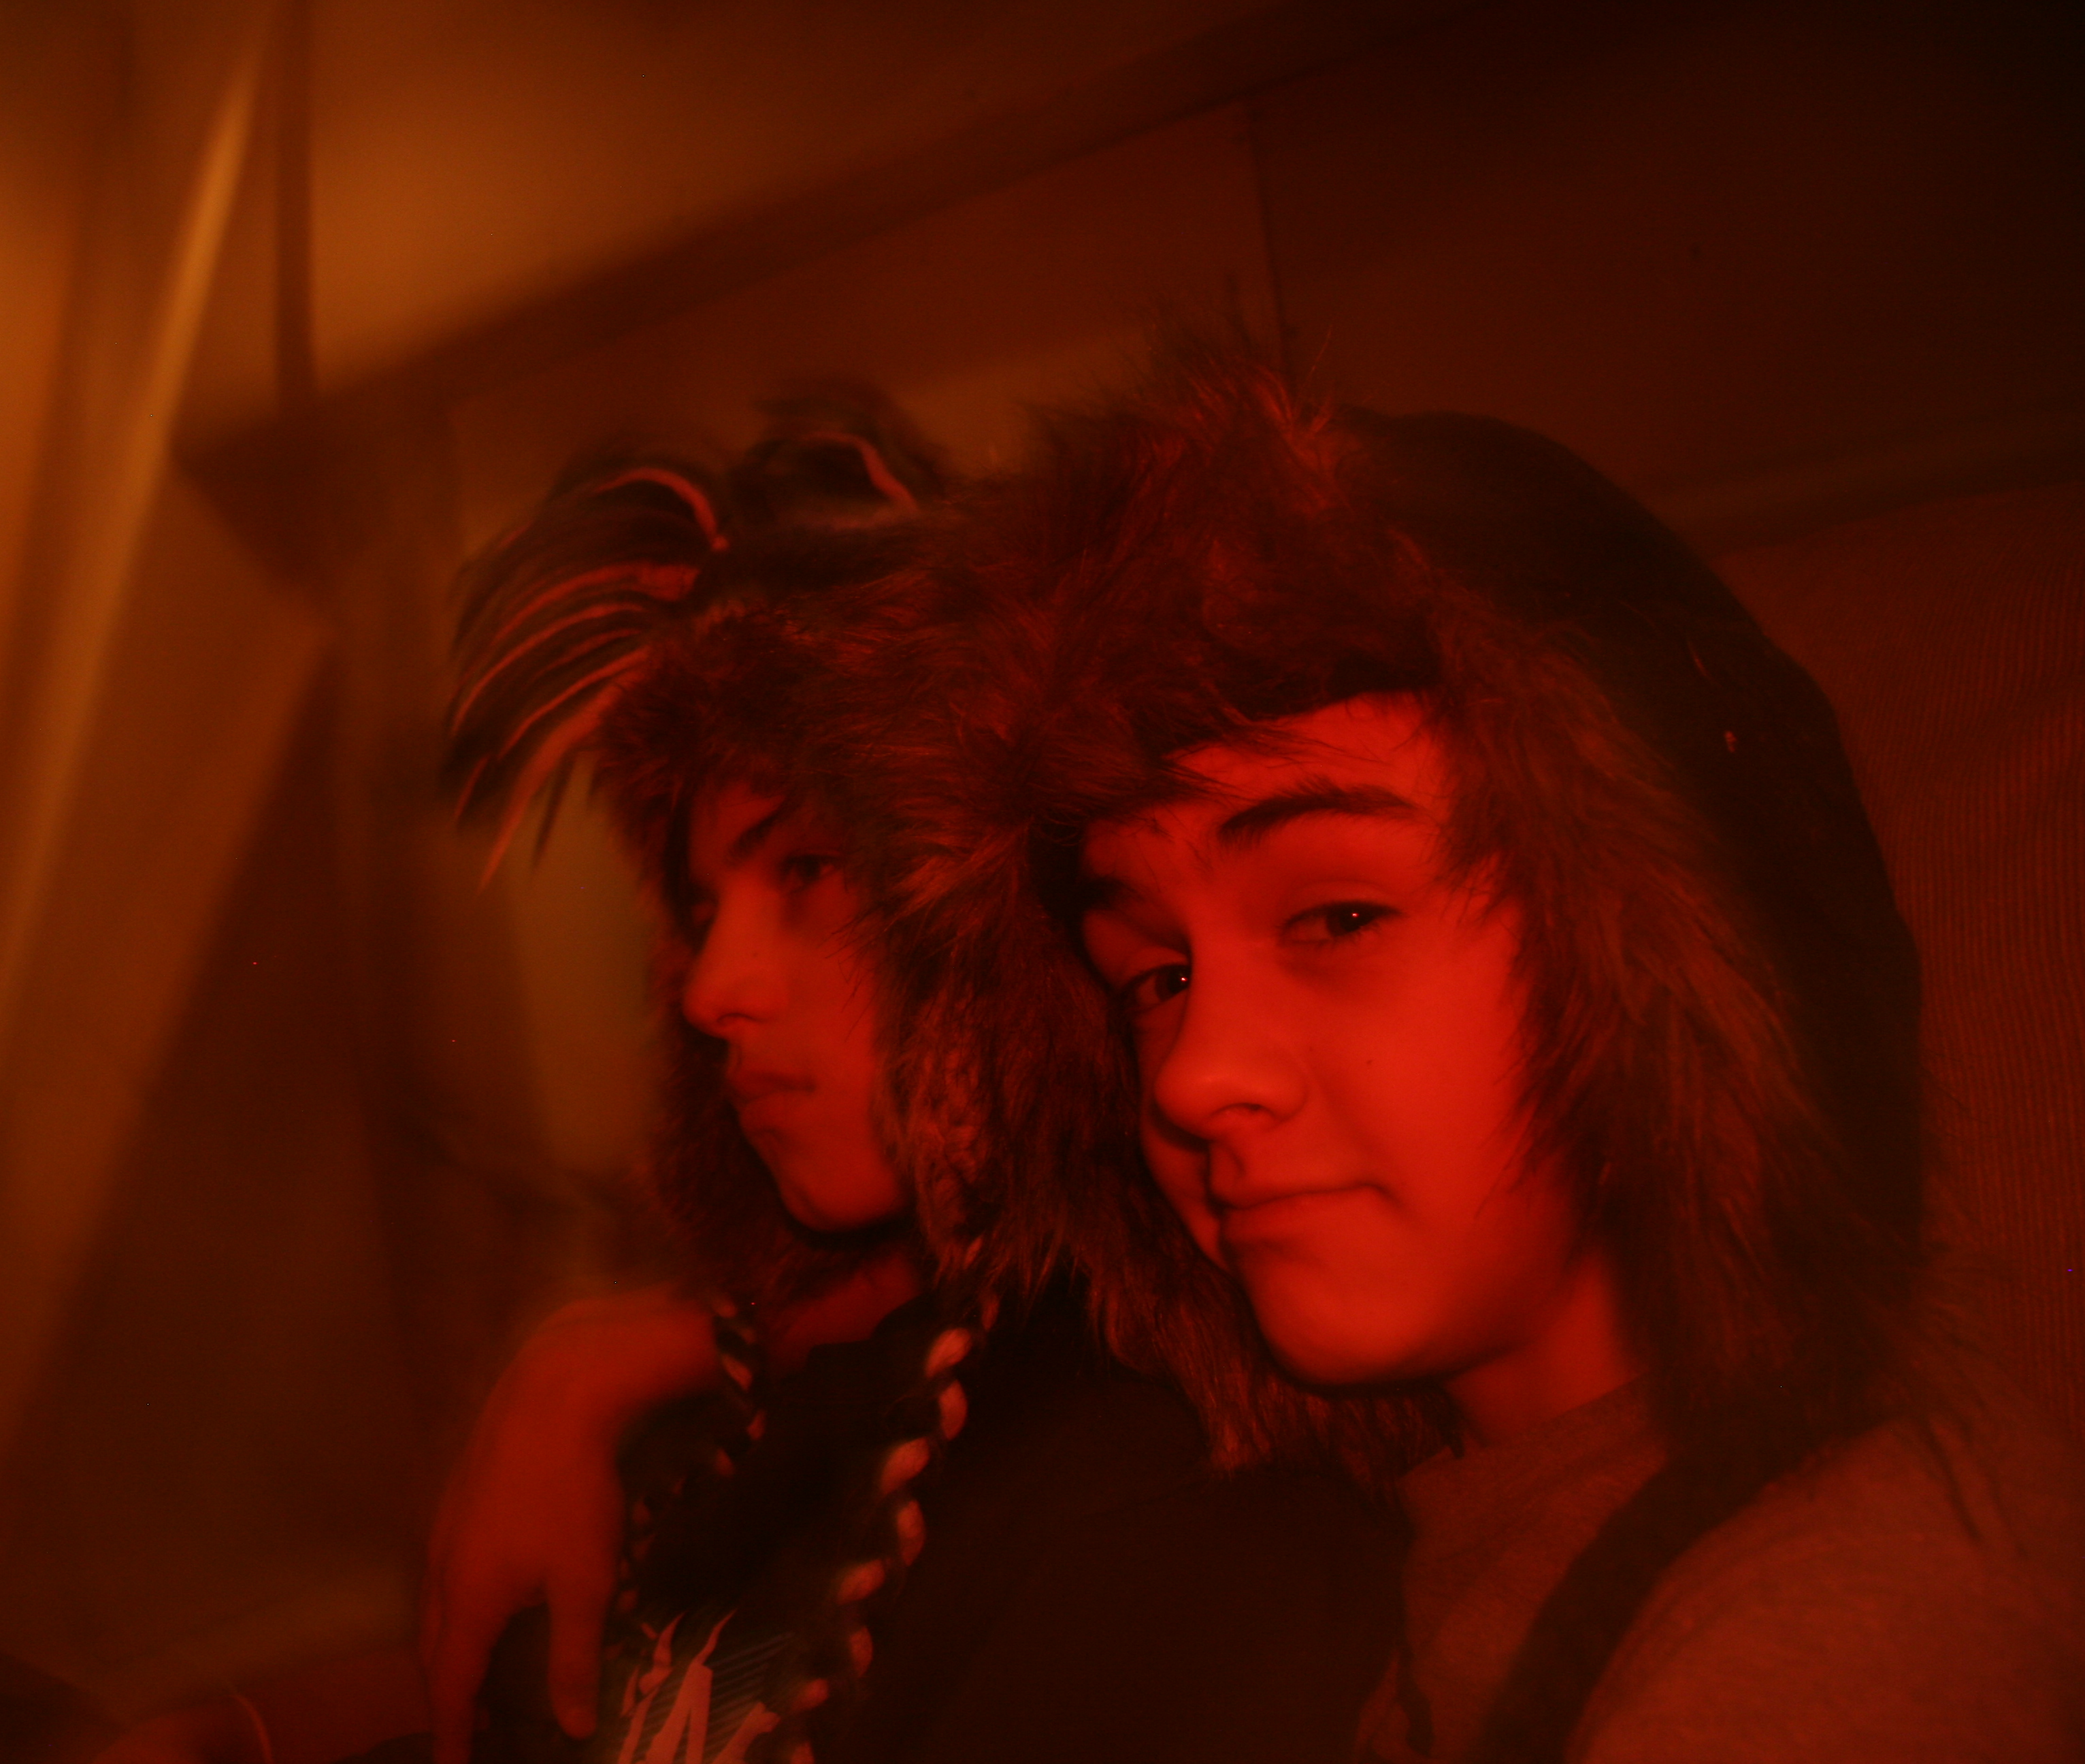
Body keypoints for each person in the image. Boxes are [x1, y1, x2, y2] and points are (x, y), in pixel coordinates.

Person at [844, 352, 2085, 1762]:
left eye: (1338, 917)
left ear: (1669, 955)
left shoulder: (1842, 1644)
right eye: (1157, 978)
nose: (1191, 1077)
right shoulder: (1390, 1512)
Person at [412, 399, 1398, 1764]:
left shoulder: (1163, 1508)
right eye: (699, 910)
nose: (709, 990)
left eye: (809, 869)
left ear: (983, 911)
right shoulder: (767, 1409)